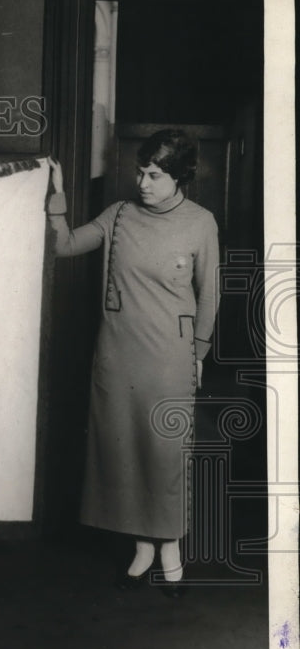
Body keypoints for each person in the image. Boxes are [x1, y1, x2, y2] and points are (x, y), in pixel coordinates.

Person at [47, 130, 220, 597]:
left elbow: (210, 295)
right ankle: (143, 547)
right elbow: (63, 247)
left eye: (154, 174)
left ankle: (170, 550)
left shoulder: (201, 222)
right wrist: (57, 196)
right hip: (117, 357)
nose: (142, 182)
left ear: (179, 177)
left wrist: (199, 353)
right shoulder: (118, 215)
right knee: (125, 454)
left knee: (164, 455)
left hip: (169, 360)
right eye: (141, 171)